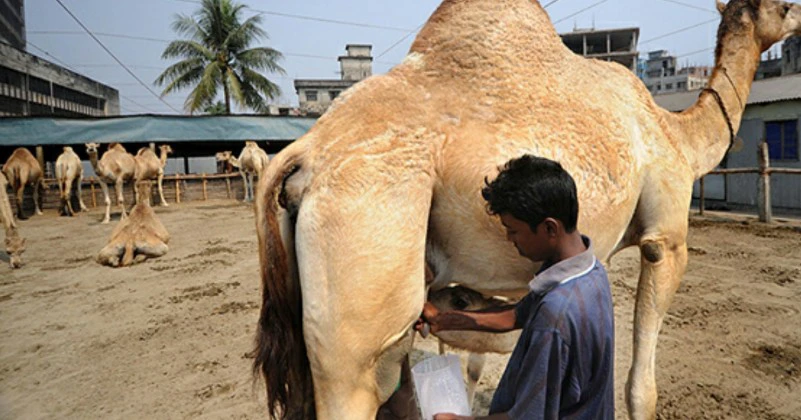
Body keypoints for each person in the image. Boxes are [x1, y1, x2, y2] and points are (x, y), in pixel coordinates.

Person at [417, 155, 614, 420]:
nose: (510, 239)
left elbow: (527, 417)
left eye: (513, 230)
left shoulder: (554, 318)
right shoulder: (589, 272)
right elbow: (515, 315)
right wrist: (444, 319)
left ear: (549, 228)